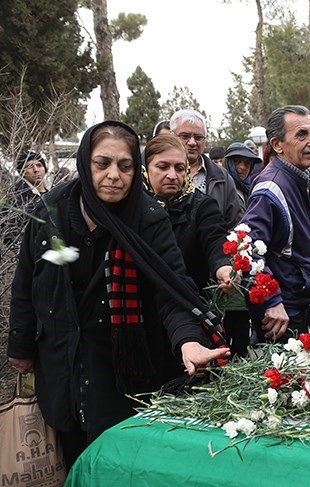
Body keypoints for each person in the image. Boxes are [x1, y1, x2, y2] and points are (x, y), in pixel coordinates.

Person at [6, 121, 231, 469]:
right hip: (61, 361)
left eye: (125, 166)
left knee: (116, 467)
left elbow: (171, 288)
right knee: (72, 460)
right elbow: (27, 283)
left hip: (121, 367)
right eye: (102, 163)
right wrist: (20, 346)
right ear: (86, 163)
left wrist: (188, 341)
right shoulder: (51, 212)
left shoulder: (148, 218)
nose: (114, 175)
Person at [142, 134, 237, 367]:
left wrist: (223, 267)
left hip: (188, 312)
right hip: (142, 319)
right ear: (145, 169)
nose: (172, 175)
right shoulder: (133, 209)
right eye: (162, 167)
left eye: (179, 168)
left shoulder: (201, 205)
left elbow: (215, 239)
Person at [241, 105, 310, 344]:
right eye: (301, 135)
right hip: (283, 317)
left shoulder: (298, 177)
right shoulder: (271, 189)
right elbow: (245, 247)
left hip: (297, 307)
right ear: (277, 145)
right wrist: (272, 300)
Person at [169, 109, 242, 232]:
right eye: (185, 136)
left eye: (198, 137)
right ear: (171, 136)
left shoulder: (222, 176)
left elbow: (234, 223)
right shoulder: (156, 172)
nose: (192, 142)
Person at [224, 142, 262, 210]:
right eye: (236, 161)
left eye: (247, 163)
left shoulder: (250, 191)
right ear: (228, 163)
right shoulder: (220, 190)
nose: (242, 167)